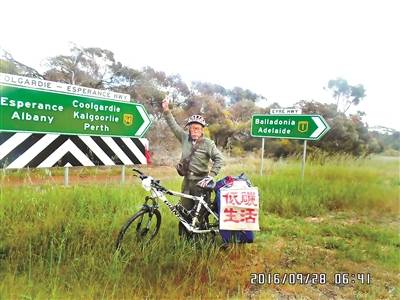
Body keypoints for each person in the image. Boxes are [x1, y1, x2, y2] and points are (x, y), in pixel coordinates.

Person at [162, 96, 224, 237]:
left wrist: (211, 176)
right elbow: (173, 126)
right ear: (189, 129)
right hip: (187, 183)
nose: (194, 130)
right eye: (192, 128)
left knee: (200, 213)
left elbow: (219, 159)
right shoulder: (184, 138)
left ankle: (202, 238)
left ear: (202, 130)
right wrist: (166, 110)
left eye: (197, 128)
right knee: (184, 210)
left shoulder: (208, 144)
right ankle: (184, 237)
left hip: (201, 183)